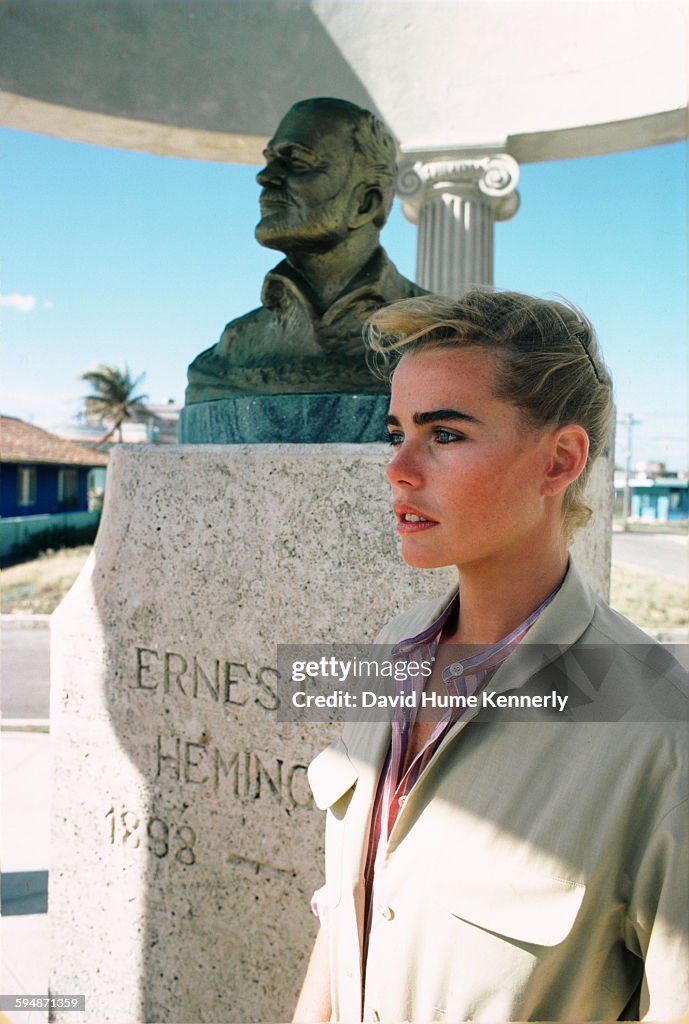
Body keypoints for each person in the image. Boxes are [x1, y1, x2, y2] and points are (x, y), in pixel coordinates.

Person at [294, 290, 688, 1023]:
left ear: (559, 459)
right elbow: (348, 915)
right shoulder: (391, 649)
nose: (399, 470)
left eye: (444, 435)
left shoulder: (659, 724)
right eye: (397, 432)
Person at [185, 98, 425, 403]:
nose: (264, 176)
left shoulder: (438, 336)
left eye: (296, 161)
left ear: (366, 202)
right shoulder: (232, 348)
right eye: (270, 159)